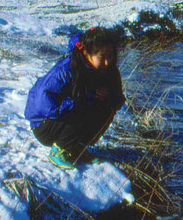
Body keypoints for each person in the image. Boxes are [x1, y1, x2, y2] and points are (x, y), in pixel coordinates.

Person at [24, 26, 126, 169]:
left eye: (110, 56)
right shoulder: (66, 69)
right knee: (83, 105)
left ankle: (76, 147)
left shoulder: (108, 69)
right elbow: (44, 101)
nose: (107, 62)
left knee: (105, 107)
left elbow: (117, 98)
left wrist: (109, 97)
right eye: (102, 57)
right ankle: (59, 149)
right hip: (45, 125)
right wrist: (85, 98)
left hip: (68, 121)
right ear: (86, 53)